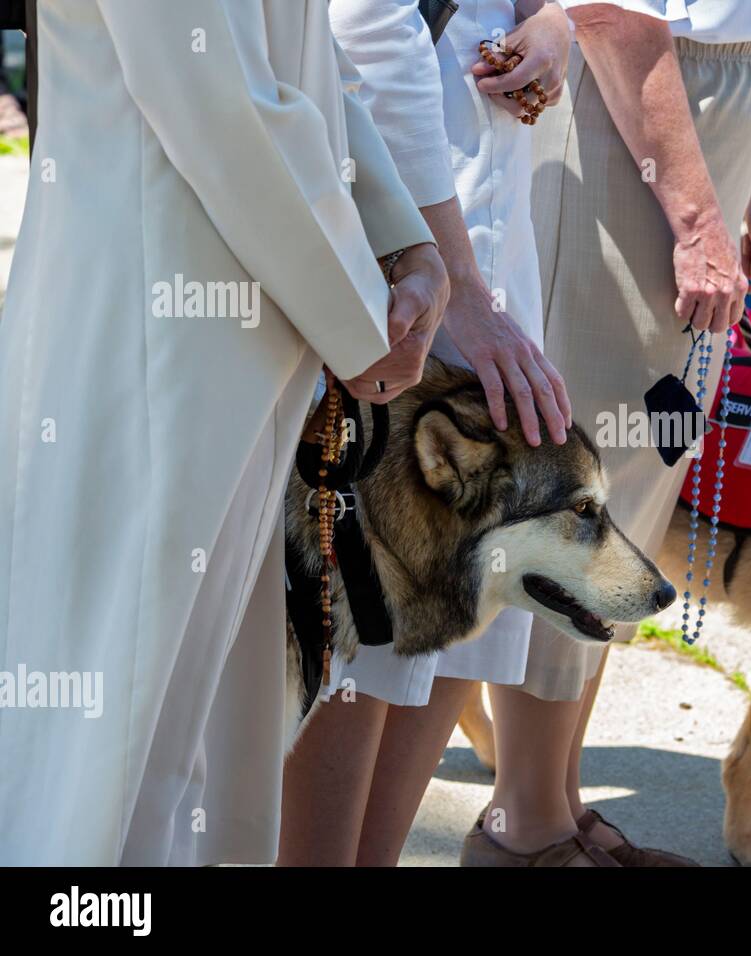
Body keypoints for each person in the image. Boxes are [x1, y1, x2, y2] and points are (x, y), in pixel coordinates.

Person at [0, 0, 446, 865]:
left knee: (197, 726)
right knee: (112, 741)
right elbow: (213, 95)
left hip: (242, 330)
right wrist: (362, 315)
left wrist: (400, 240)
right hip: (149, 335)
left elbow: (296, 53)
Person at [458, 0, 751, 866]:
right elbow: (614, 16)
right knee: (587, 485)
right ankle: (524, 822)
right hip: (637, 100)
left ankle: (558, 804)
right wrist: (696, 217)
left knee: (639, 482)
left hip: (709, 97)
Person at [279, 0, 574, 866]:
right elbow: (369, 25)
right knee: (375, 592)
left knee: (461, 583)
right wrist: (457, 282)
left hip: (480, 196)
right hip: (406, 203)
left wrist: (550, 20)